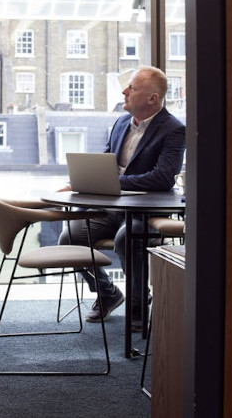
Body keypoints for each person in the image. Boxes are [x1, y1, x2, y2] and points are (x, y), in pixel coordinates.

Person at [57, 66, 185, 328]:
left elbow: (162, 178)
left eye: (132, 88)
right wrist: (79, 182)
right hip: (112, 207)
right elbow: (105, 163)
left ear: (152, 98)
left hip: (146, 211)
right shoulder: (120, 123)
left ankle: (138, 303)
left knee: (125, 239)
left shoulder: (174, 129)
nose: (124, 91)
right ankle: (107, 293)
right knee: (69, 238)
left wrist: (115, 182)